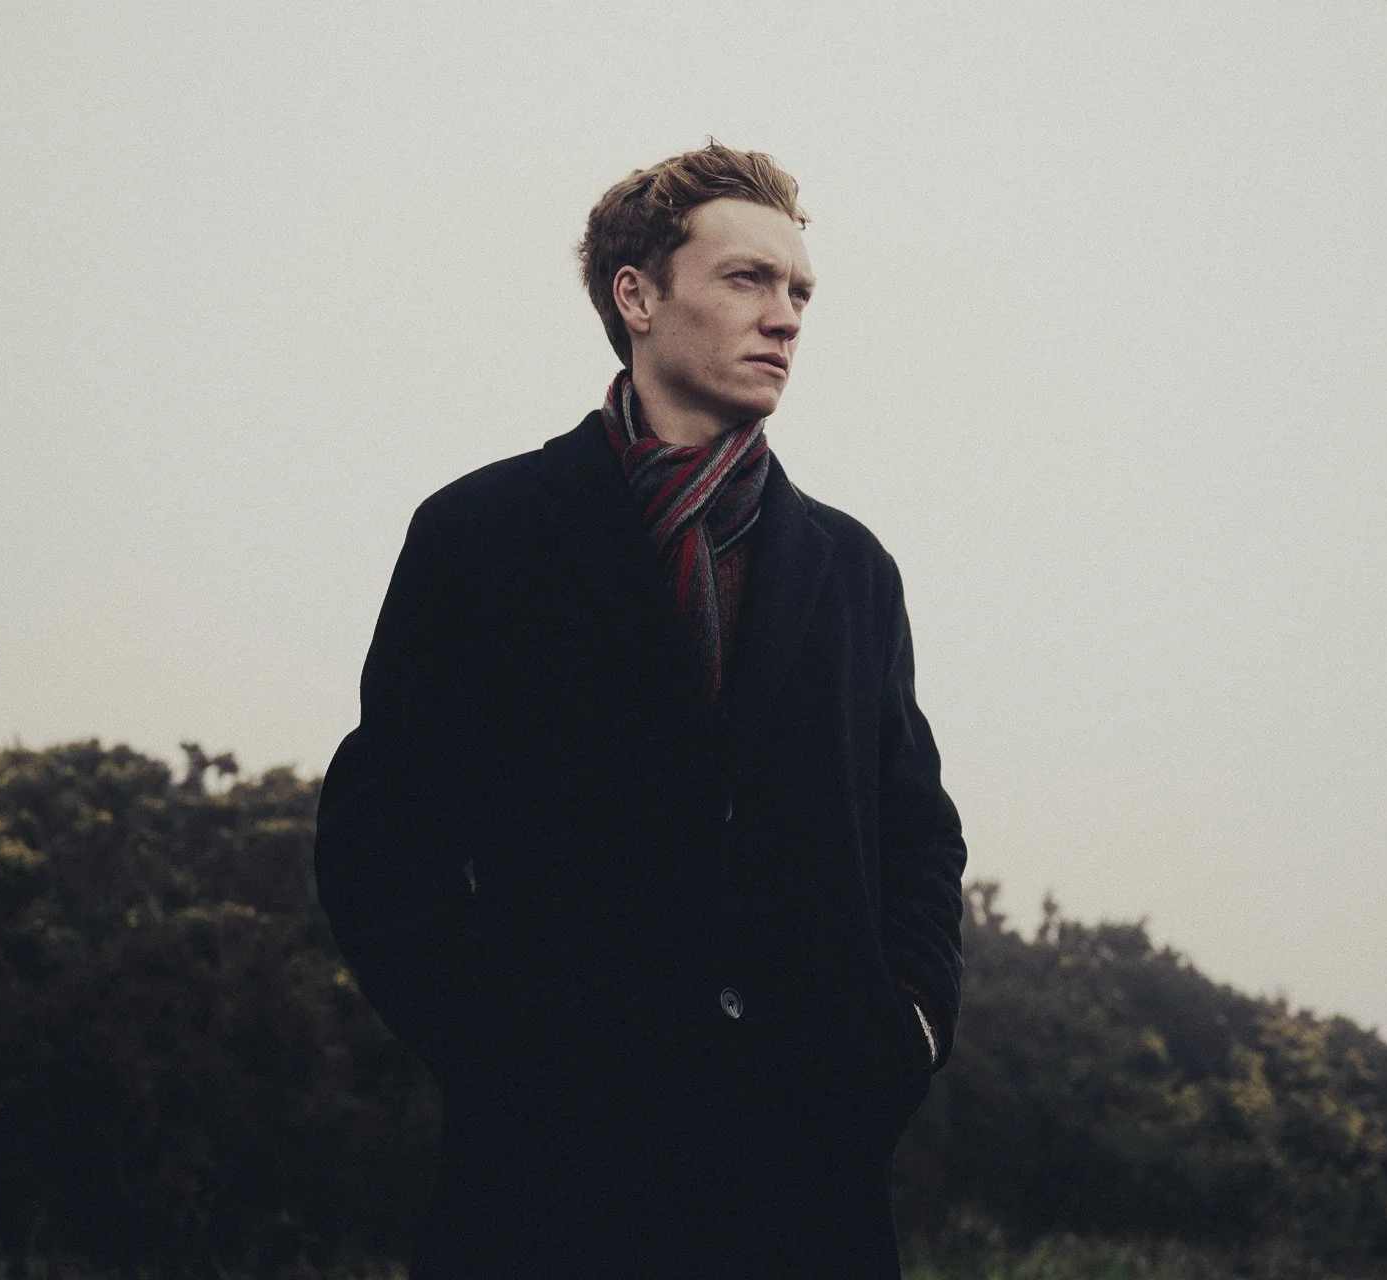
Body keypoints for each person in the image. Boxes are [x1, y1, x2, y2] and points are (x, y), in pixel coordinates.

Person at [315, 142, 967, 1279]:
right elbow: (382, 837)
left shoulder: (852, 568)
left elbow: (919, 834)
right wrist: (498, 1053)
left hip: (805, 1196)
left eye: (800, 290)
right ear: (636, 296)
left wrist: (905, 1033)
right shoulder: (482, 535)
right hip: (548, 1191)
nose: (786, 317)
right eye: (746, 280)